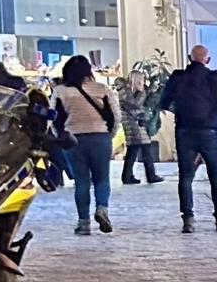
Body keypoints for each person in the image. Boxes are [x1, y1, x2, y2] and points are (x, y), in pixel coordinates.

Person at [161, 45, 217, 234]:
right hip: (209, 131)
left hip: (184, 130)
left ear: (189, 58)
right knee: (215, 176)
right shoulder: (216, 78)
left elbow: (163, 102)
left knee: (186, 177)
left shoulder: (178, 77)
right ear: (207, 60)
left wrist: (179, 111)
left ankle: (188, 219)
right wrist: (215, 110)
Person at [52, 55, 120, 236]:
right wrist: (109, 135)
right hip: (100, 137)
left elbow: (54, 118)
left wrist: (59, 136)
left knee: (81, 182)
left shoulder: (61, 91)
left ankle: (83, 223)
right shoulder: (102, 89)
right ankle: (102, 209)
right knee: (102, 178)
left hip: (73, 139)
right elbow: (115, 115)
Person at [118, 69, 163, 184]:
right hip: (133, 124)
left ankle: (129, 176)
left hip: (135, 123)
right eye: (141, 80)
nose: (143, 82)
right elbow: (136, 105)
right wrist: (143, 92)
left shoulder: (128, 92)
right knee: (143, 148)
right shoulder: (126, 92)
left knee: (134, 150)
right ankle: (150, 175)